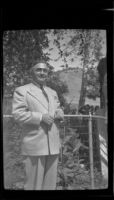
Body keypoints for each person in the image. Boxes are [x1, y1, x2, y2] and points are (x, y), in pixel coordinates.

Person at [12, 60, 64, 190]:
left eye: (45, 70)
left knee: (50, 186)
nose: (42, 73)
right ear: (32, 73)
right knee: (33, 186)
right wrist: (40, 117)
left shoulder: (52, 92)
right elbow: (18, 114)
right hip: (35, 145)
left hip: (53, 145)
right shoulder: (22, 91)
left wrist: (59, 113)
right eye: (38, 70)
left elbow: (57, 109)